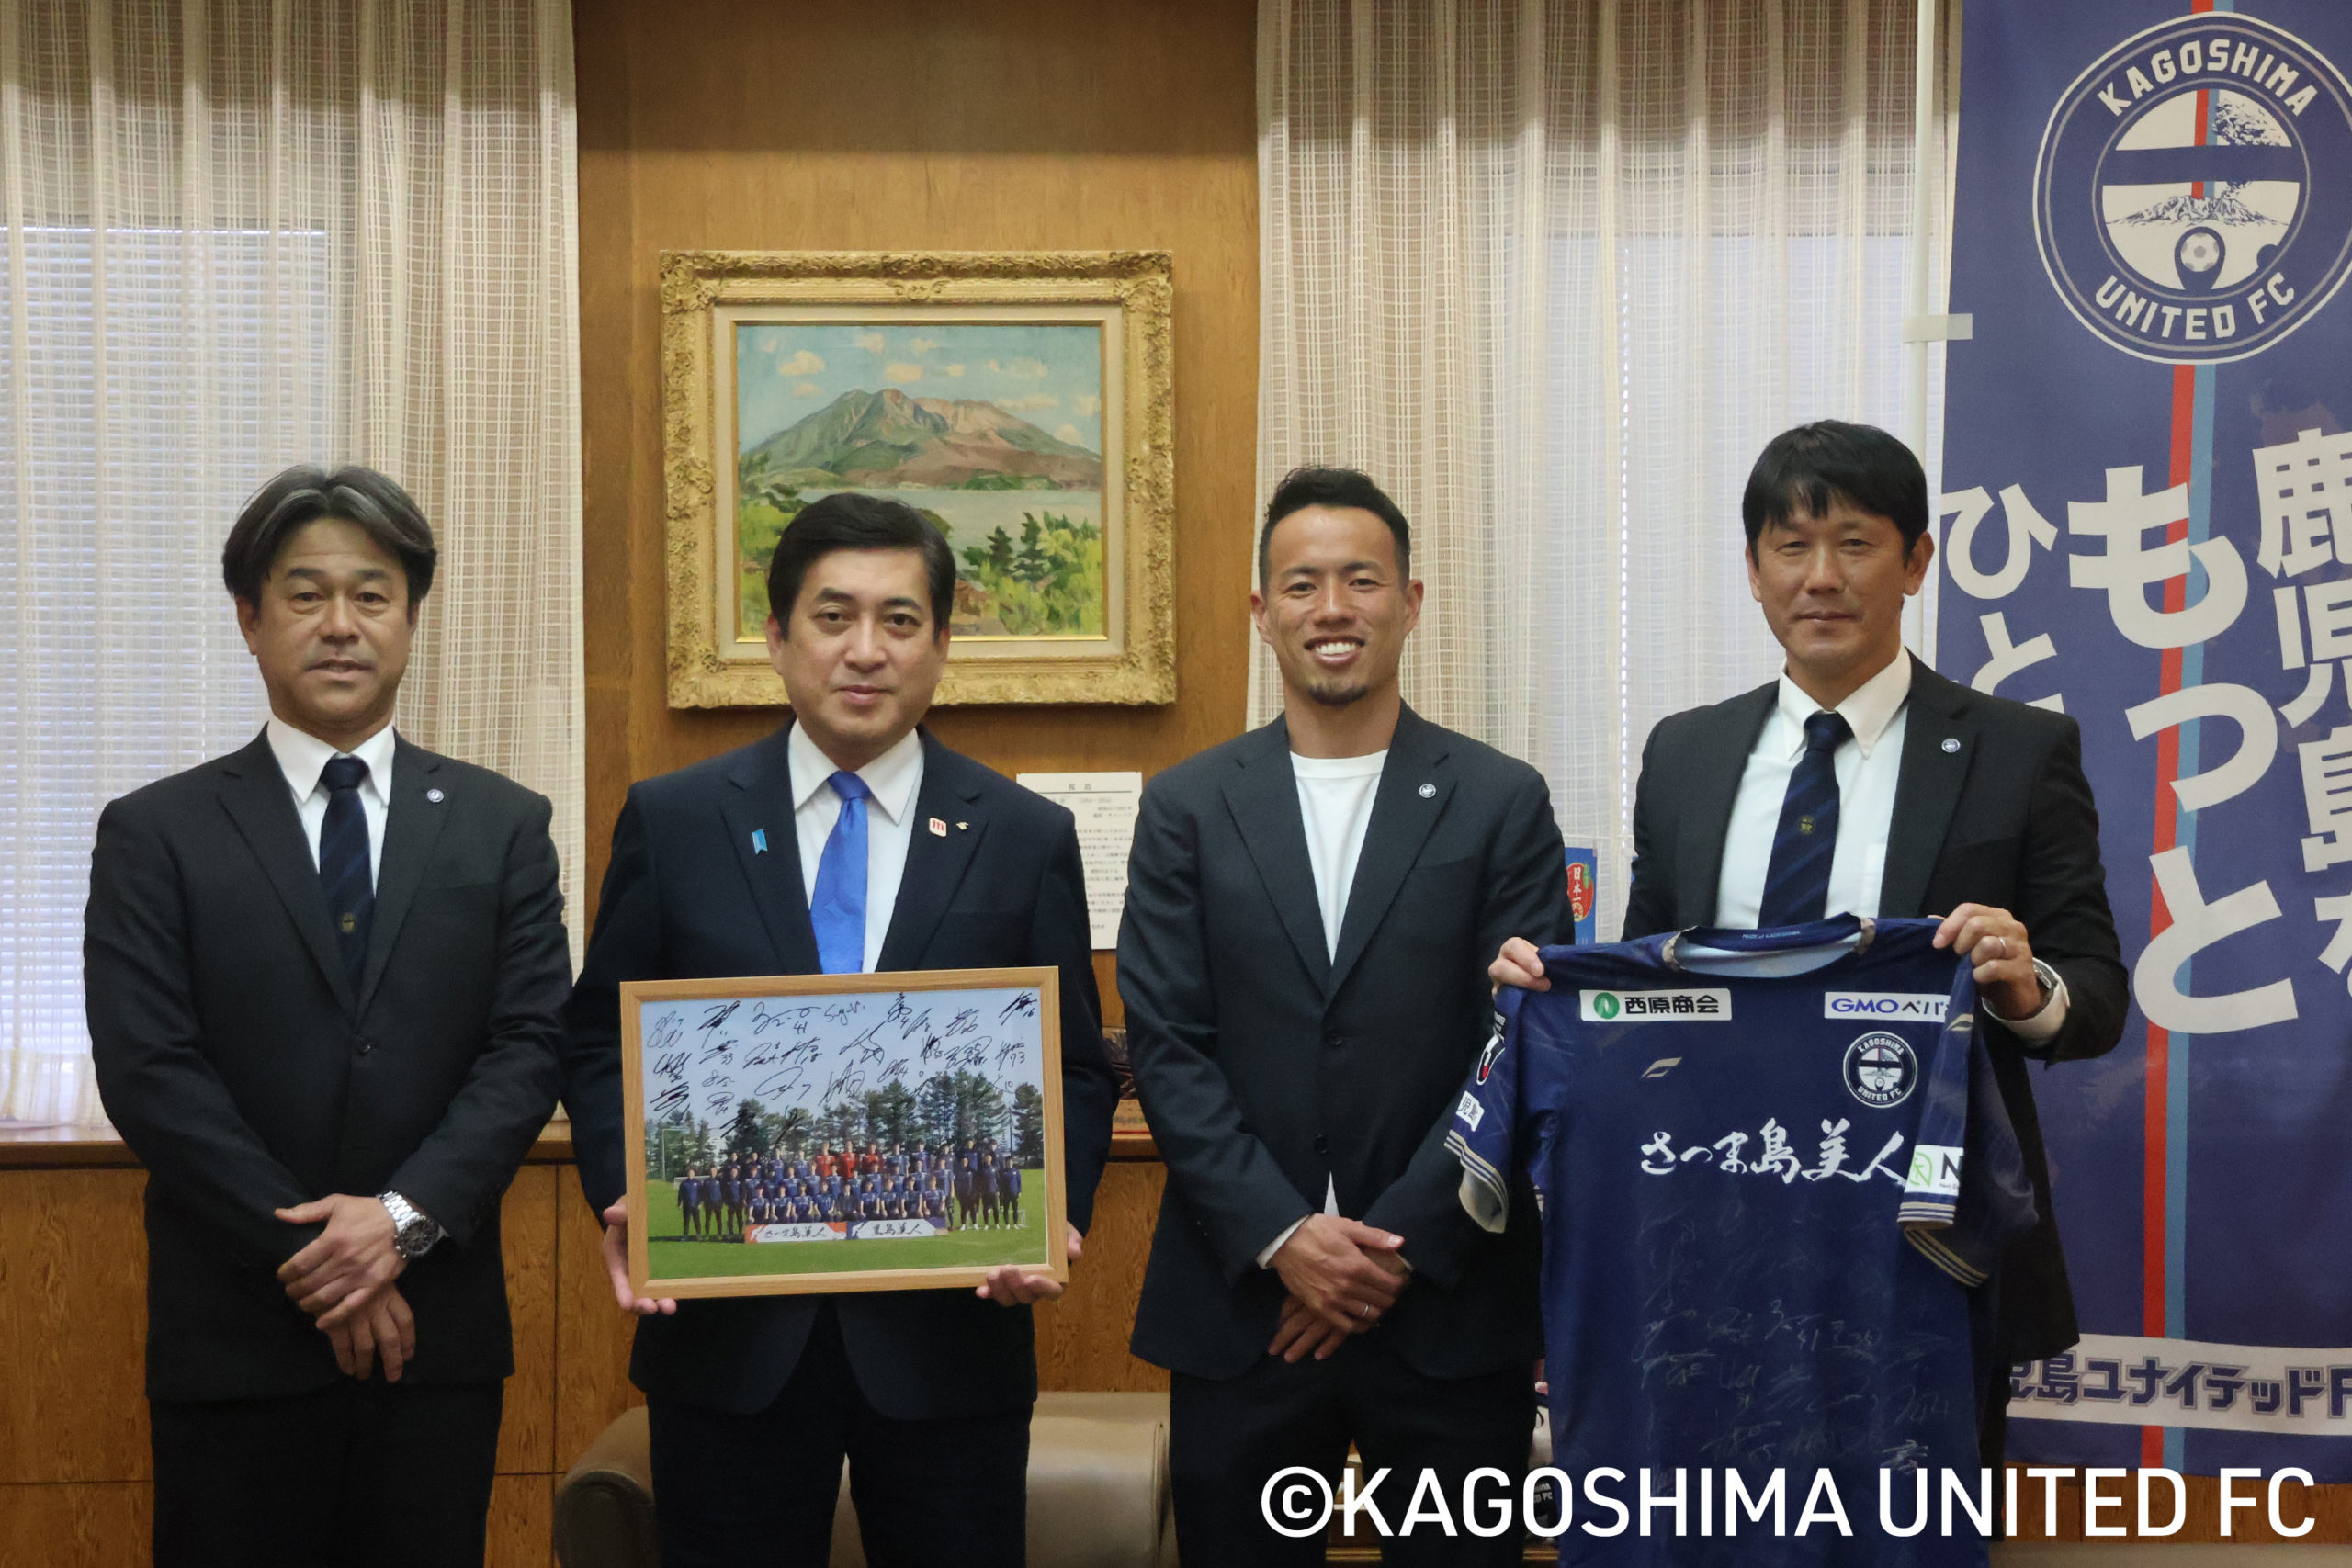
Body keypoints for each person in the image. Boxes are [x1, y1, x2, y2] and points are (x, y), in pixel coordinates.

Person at [1489, 419, 2128, 1468]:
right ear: (1753, 571)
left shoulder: (2017, 751)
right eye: (1791, 546)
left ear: (1915, 562)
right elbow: (1652, 991)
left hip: (1926, 1240)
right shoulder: (1687, 753)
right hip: (1707, 1225)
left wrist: (2025, 988)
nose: (1821, 577)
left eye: (1856, 544)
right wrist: (1550, 989)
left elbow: (2096, 994)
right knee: (1713, 1517)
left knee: (1911, 1524)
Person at [560, 492, 1119, 1568]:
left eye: (900, 620)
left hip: (951, 1339)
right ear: (777, 639)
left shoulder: (1021, 834)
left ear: (942, 645)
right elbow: (598, 1039)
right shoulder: (676, 822)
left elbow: (1073, 1065)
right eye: (833, 617)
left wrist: (1049, 1212)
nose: (866, 650)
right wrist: (629, 1189)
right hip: (730, 1343)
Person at [85, 465, 571, 1568]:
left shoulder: (501, 825)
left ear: (411, 618)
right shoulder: (156, 833)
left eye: (372, 595)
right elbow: (150, 1070)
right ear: (249, 619)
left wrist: (400, 1223)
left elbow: (529, 1045)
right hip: (236, 1339)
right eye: (305, 595)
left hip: (434, 1334)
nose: (341, 625)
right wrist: (323, 1259)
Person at [1120, 467, 1571, 1565]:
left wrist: (1385, 1252)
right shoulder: (1187, 806)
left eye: (1361, 581)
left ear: (1408, 602)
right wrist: (1286, 1238)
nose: (1332, 608)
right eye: (1302, 584)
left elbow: (1519, 1044)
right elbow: (1169, 1046)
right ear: (1261, 612)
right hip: (1243, 1309)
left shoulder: (1499, 800)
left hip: (1447, 1308)